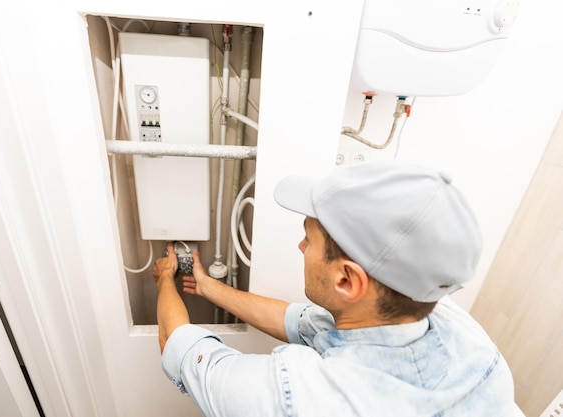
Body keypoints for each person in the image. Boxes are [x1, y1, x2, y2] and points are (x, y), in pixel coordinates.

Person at [153, 159, 524, 417]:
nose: (301, 247)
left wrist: (166, 279)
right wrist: (206, 285)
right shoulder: (448, 321)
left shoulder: (304, 399)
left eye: (308, 239)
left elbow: (178, 345)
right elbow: (296, 321)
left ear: (348, 280)